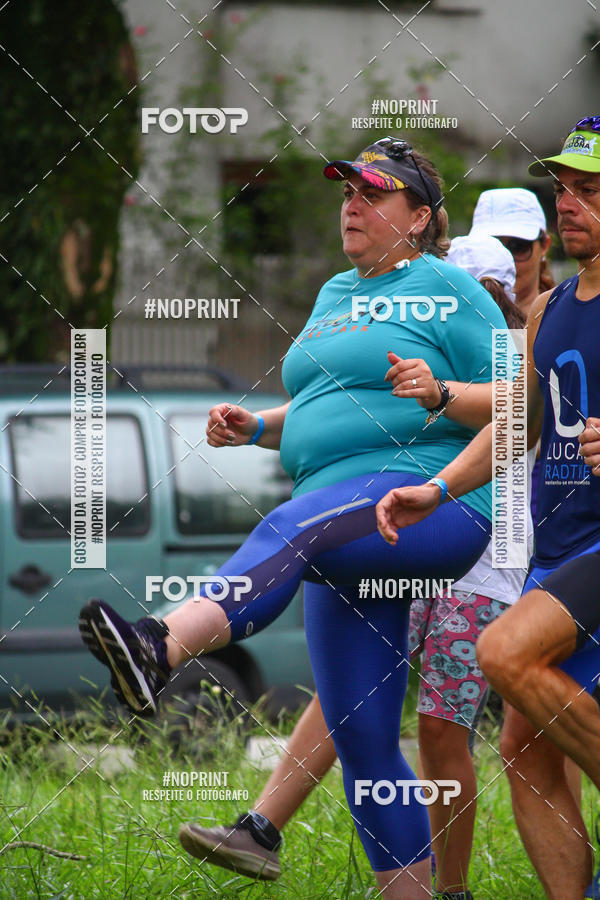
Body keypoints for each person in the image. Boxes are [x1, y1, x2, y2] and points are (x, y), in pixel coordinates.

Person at [79, 136, 509, 898]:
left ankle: (158, 647)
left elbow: (518, 402)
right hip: (345, 523)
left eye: (372, 193)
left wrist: (441, 392)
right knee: (363, 738)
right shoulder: (336, 293)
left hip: (425, 502)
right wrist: (258, 426)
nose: (352, 205)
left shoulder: (450, 291)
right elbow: (321, 403)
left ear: (419, 218)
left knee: (292, 525)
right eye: (346, 193)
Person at [178, 235, 529, 900]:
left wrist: (441, 395)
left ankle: (451, 889)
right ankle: (265, 825)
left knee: (440, 730)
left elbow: (520, 416)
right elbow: (344, 404)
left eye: (505, 259)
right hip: (393, 520)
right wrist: (263, 428)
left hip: (479, 553)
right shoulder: (390, 311)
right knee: (355, 713)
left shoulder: (517, 336)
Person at [375, 116, 600, 900]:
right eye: (563, 187)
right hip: (555, 554)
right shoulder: (551, 310)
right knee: (525, 753)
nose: (569, 203)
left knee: (501, 653)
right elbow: (518, 425)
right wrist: (437, 489)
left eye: (589, 189)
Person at [469, 186, 554, 319]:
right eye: (491, 247)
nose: (505, 260)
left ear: (544, 246)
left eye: (518, 246)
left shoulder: (565, 316)